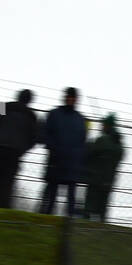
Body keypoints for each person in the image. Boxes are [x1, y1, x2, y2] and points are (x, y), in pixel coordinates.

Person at [0, 89, 39, 209]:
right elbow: (34, 138)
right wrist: (22, 149)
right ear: (30, 100)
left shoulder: (4, 107)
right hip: (14, 152)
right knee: (7, 182)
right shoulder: (31, 115)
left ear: (17, 96)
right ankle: (2, 209)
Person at [40, 87, 88, 216]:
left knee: (70, 199)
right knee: (51, 197)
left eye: (73, 97)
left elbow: (83, 142)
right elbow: (45, 134)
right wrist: (52, 148)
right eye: (69, 96)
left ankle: (68, 227)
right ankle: (45, 220)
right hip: (56, 160)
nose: (71, 99)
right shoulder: (54, 114)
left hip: (71, 163)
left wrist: (79, 159)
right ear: (65, 97)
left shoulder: (81, 119)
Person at [82, 113, 124, 221]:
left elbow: (90, 153)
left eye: (103, 125)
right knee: (102, 210)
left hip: (96, 178)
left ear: (108, 126)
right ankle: (101, 230)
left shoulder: (102, 140)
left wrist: (89, 143)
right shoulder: (118, 143)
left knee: (89, 208)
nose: (101, 127)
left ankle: (84, 228)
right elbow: (120, 156)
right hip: (109, 180)